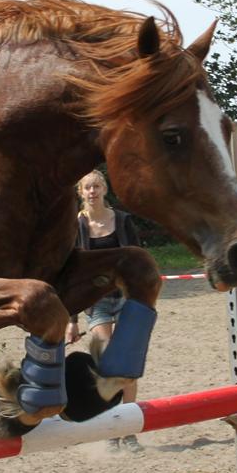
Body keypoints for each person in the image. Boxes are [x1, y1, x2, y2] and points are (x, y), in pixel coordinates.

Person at [65, 169, 143, 453]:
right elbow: (71, 274)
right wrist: (70, 321)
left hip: (126, 298)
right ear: (81, 193)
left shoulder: (122, 221)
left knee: (128, 366)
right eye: (87, 187)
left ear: (105, 189)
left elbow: (138, 261)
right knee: (109, 363)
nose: (92, 191)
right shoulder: (76, 227)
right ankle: (111, 428)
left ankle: (130, 430)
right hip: (95, 302)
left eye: (97, 186)